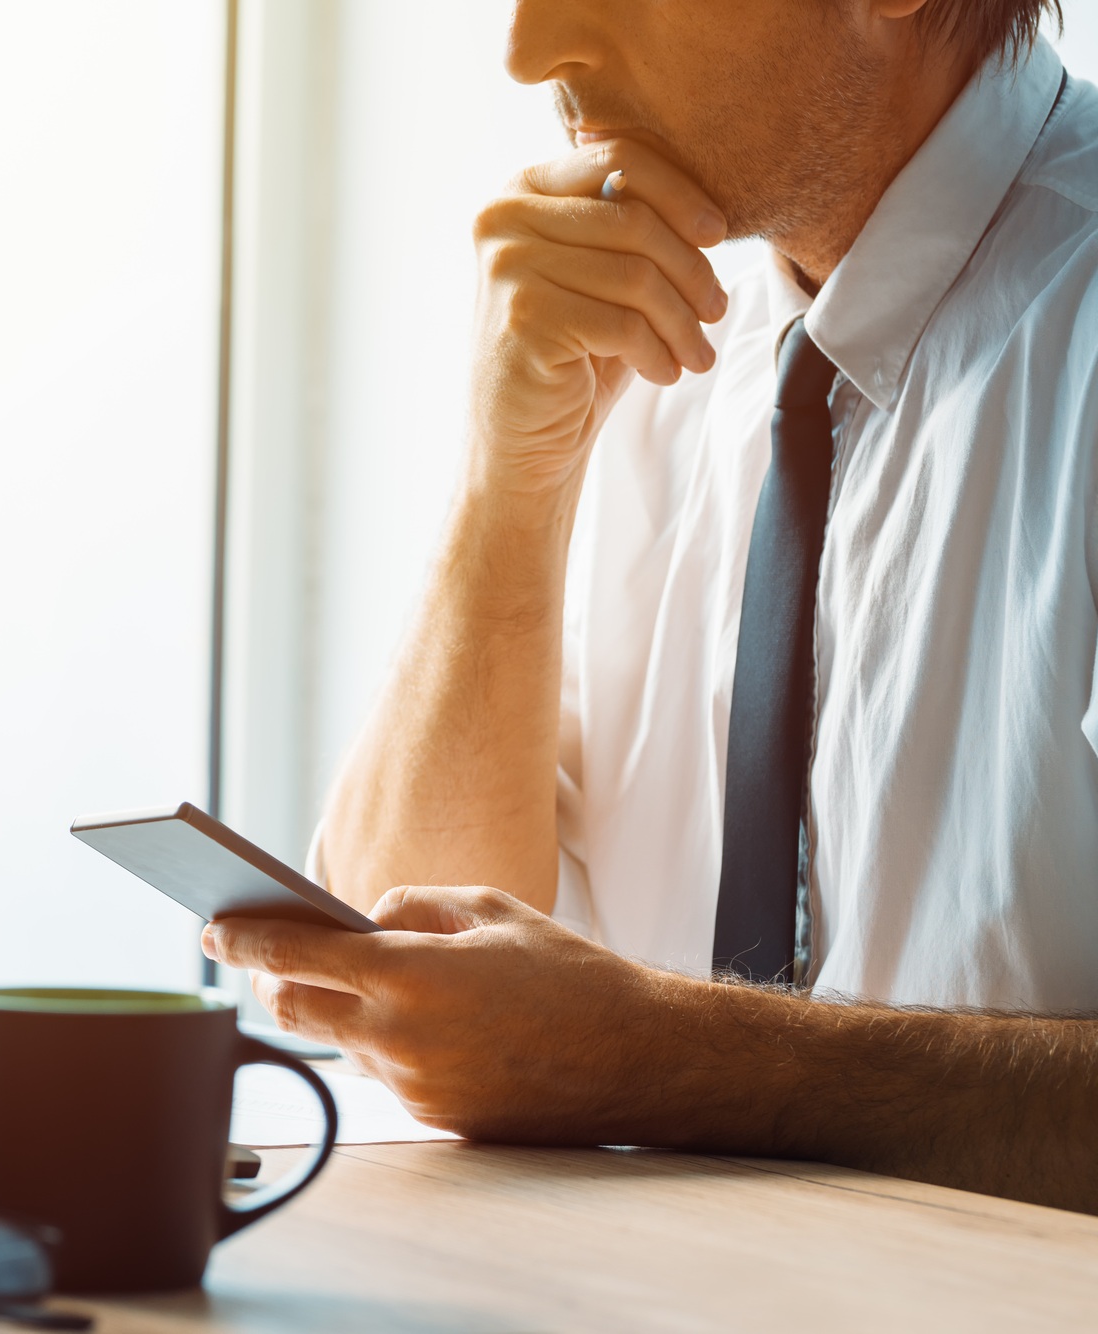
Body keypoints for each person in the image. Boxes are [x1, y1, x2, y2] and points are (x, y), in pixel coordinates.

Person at [200, 0, 1098, 1213]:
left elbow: (595, 1046)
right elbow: (400, 971)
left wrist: (667, 1061)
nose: (525, 51)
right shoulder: (641, 324)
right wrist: (505, 489)